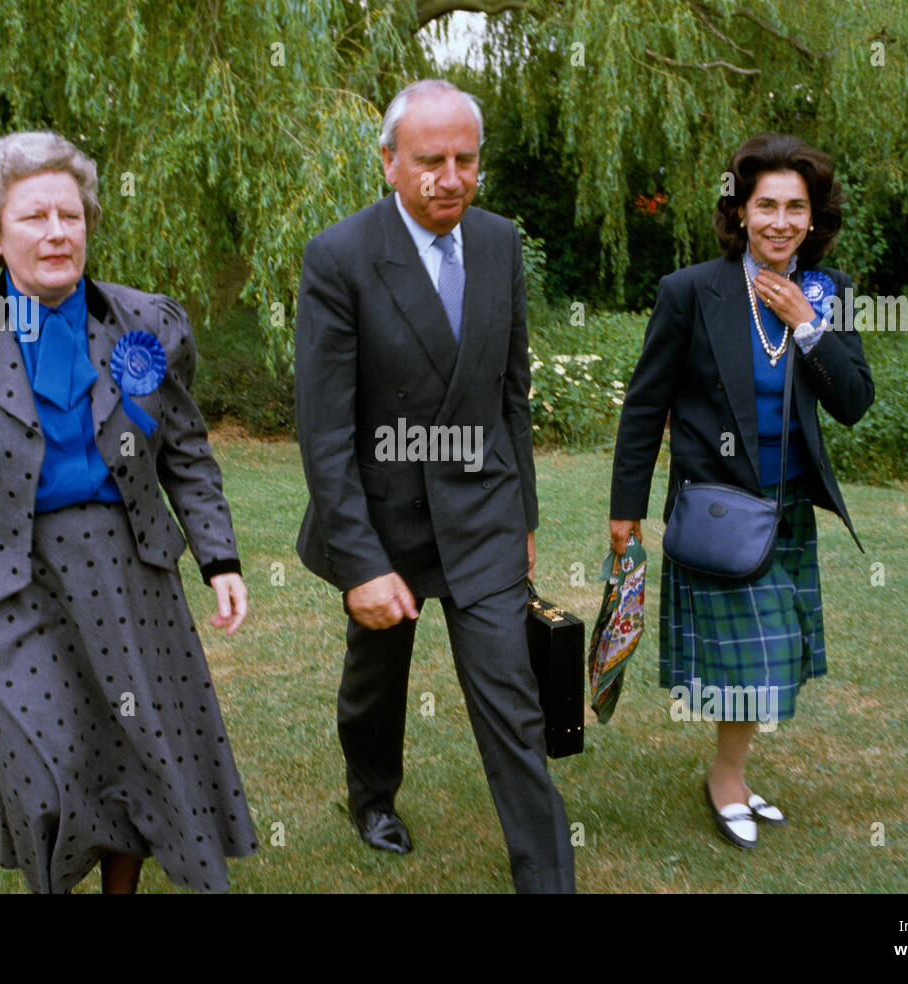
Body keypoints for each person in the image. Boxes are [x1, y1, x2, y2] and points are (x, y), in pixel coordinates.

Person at [0, 130, 257, 893]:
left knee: (136, 746)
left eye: (70, 215)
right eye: (34, 217)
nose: (56, 232)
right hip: (6, 576)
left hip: (126, 569)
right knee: (46, 763)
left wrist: (221, 558)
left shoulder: (145, 325)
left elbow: (186, 453)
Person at [294, 79, 574, 893]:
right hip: (385, 527)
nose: (450, 177)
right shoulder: (339, 257)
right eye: (430, 160)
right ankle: (371, 795)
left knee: (511, 699)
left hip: (484, 517)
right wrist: (359, 564)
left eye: (466, 159)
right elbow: (325, 429)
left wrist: (522, 509)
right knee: (375, 687)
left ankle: (546, 876)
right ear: (388, 162)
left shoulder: (501, 242)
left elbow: (510, 393)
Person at [609, 132, 873, 849]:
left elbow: (853, 401)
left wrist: (808, 325)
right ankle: (727, 779)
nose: (782, 222)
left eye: (797, 207)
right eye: (767, 206)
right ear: (741, 212)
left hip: (787, 509)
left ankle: (732, 771)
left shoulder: (829, 292)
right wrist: (625, 508)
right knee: (756, 654)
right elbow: (643, 404)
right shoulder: (691, 291)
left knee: (774, 653)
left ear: (814, 218)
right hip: (719, 508)